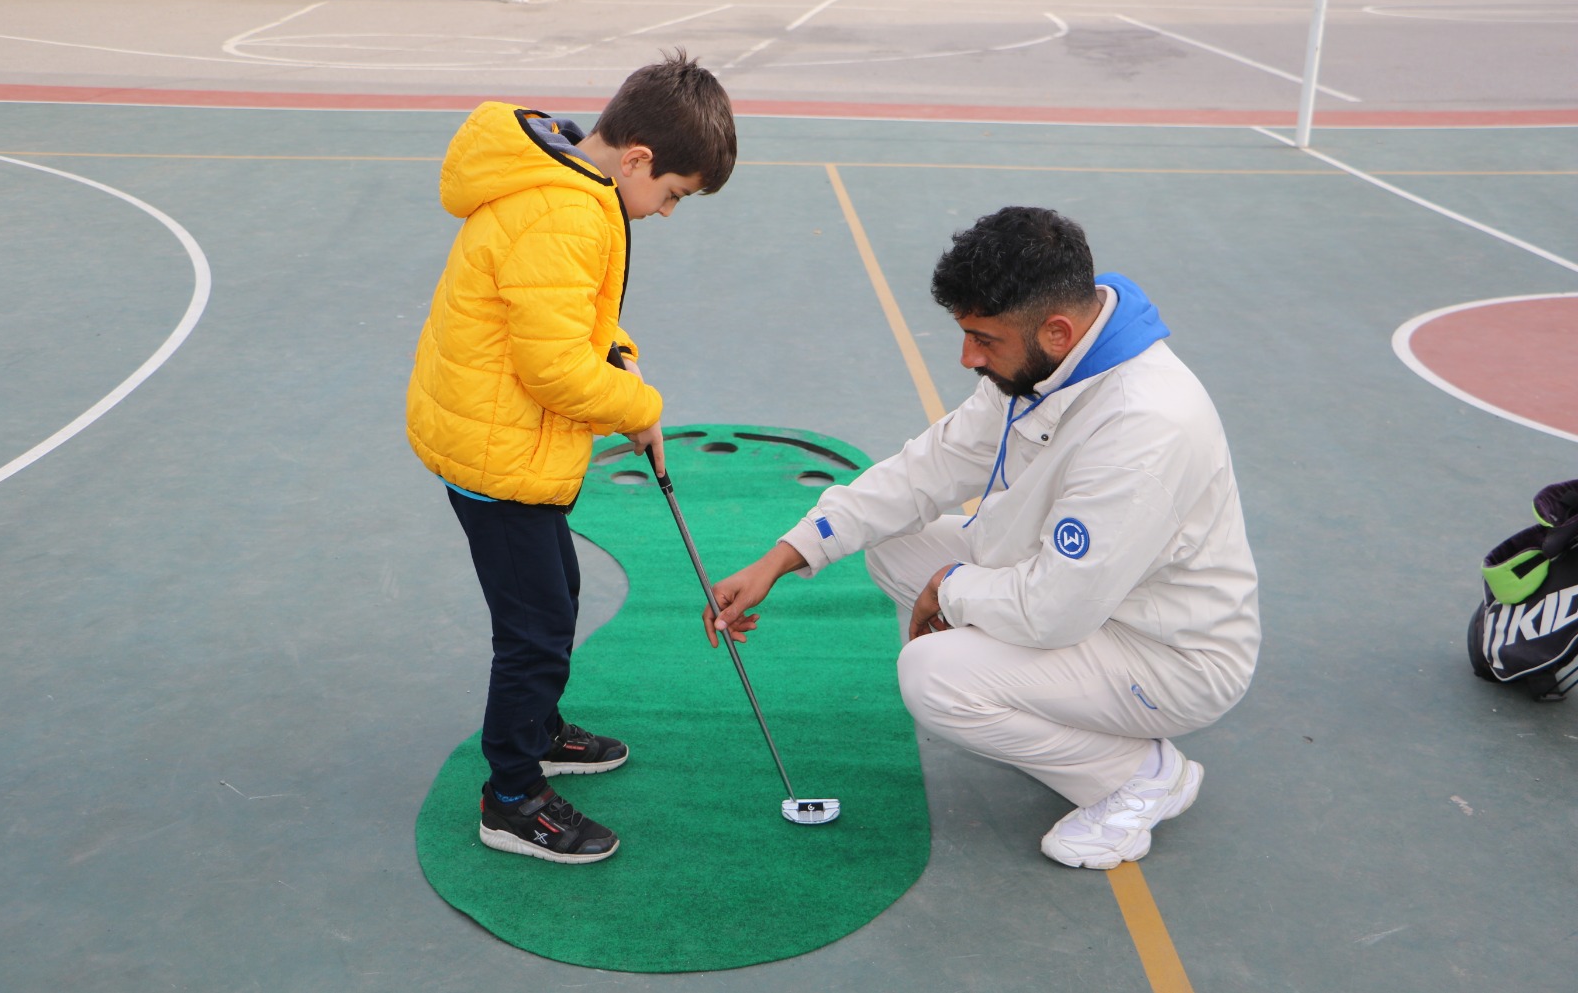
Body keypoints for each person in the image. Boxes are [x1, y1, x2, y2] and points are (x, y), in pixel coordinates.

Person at [703, 207, 1260, 870]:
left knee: (933, 677)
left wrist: (953, 590)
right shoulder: (1051, 363)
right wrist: (787, 554)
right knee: (894, 542)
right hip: (1088, 595)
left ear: (1056, 330)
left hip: (1168, 653)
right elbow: (927, 468)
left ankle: (1137, 774)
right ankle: (1058, 711)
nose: (968, 358)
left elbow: (1058, 608)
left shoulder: (1147, 422)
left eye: (982, 339)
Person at [407, 49, 737, 865]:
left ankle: (540, 728)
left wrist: (619, 365)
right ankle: (512, 795)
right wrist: (642, 408)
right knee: (536, 630)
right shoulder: (569, 214)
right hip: (499, 456)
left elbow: (573, 327)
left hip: (504, 437)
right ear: (638, 159)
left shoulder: (574, 185)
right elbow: (552, 368)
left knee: (558, 593)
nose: (664, 212)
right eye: (671, 195)